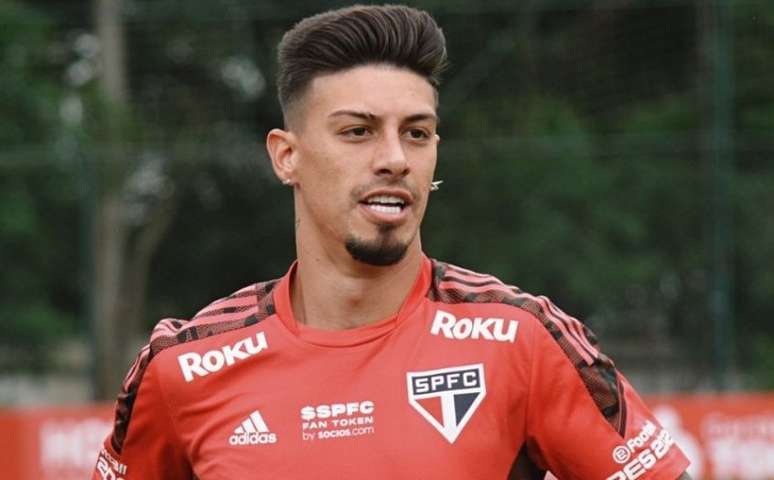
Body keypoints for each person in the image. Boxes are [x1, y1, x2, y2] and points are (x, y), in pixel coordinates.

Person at [93, 5, 692, 479]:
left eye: (417, 133)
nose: (395, 159)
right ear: (286, 157)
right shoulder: (182, 369)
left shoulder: (523, 339)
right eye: (357, 132)